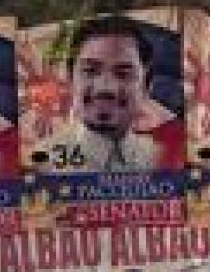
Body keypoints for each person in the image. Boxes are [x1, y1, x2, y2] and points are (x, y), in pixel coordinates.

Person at [45, 16, 160, 172]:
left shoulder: (162, 160)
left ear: (147, 87)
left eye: (123, 74)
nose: (105, 88)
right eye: (90, 71)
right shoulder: (41, 162)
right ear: (69, 81)